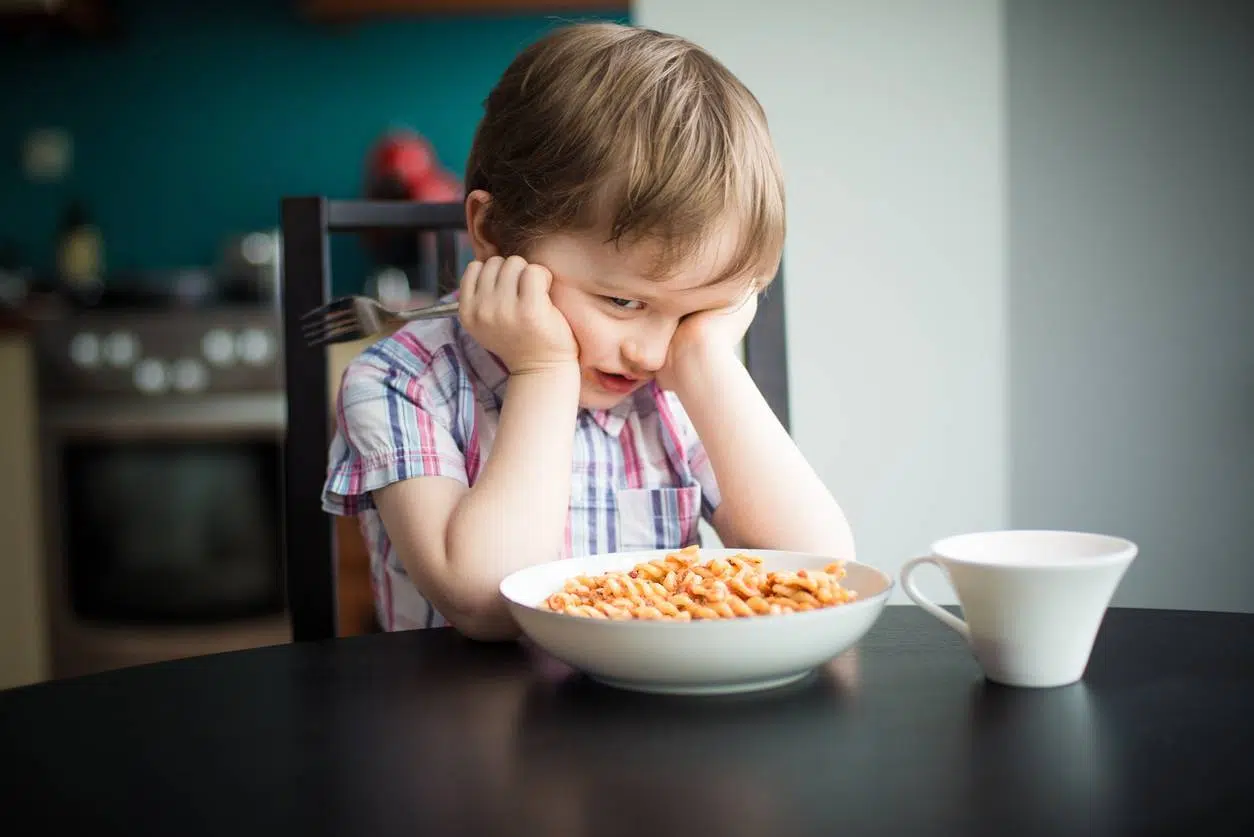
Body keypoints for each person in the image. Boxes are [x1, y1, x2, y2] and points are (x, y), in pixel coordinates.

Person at [323, 22, 855, 640]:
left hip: (655, 715)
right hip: (462, 724)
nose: (652, 352)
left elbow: (818, 572)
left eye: (690, 313)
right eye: (623, 300)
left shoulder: (680, 381)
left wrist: (710, 359)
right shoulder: (401, 382)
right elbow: (485, 603)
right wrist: (542, 371)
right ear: (494, 235)